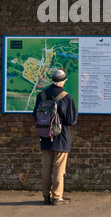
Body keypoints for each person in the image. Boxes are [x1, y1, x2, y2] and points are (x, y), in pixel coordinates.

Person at [33, 69, 78, 206]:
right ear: (64, 81)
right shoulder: (66, 97)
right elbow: (71, 120)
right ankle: (57, 197)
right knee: (59, 167)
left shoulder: (42, 95)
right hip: (60, 136)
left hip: (45, 134)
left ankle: (46, 196)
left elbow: (35, 114)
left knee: (46, 166)